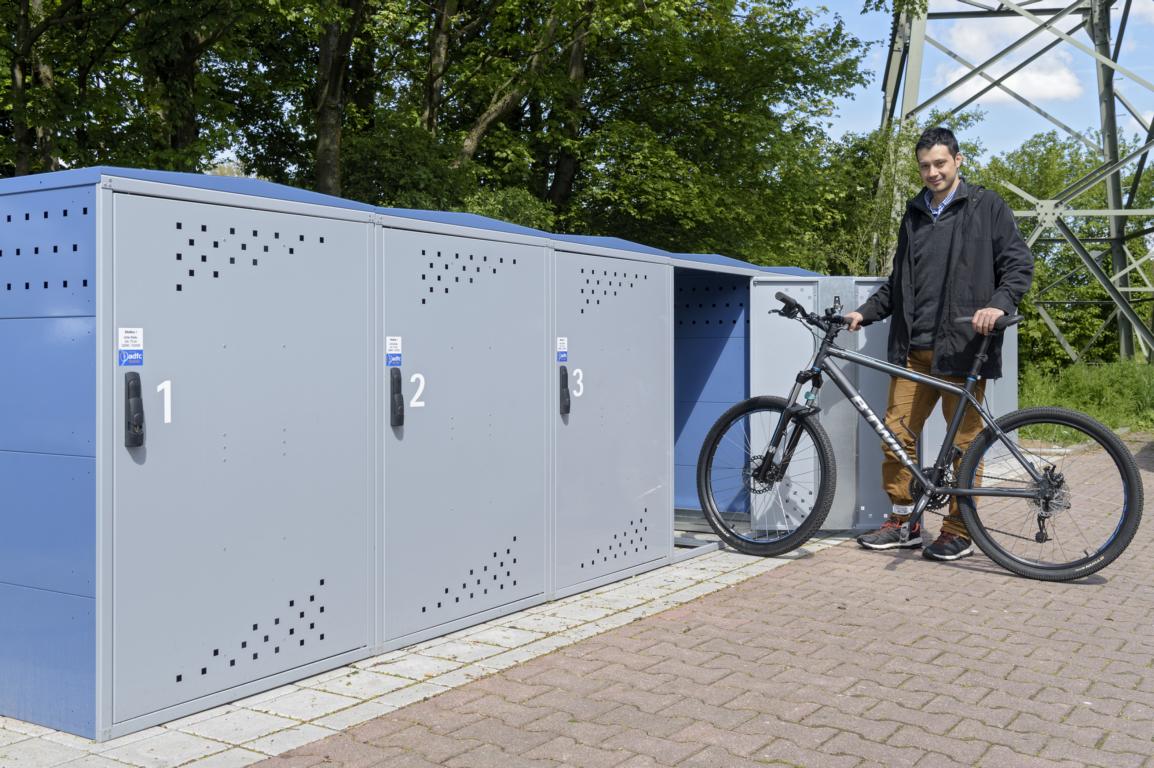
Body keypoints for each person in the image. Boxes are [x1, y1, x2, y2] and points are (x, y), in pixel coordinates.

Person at [844, 126, 1033, 561]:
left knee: (966, 444)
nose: (932, 172)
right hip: (914, 349)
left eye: (940, 163)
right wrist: (865, 313)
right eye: (925, 165)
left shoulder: (986, 206)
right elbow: (897, 284)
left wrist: (999, 304)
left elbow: (1018, 265)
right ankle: (903, 521)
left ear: (958, 160)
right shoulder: (913, 215)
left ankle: (959, 529)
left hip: (964, 347)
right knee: (896, 434)